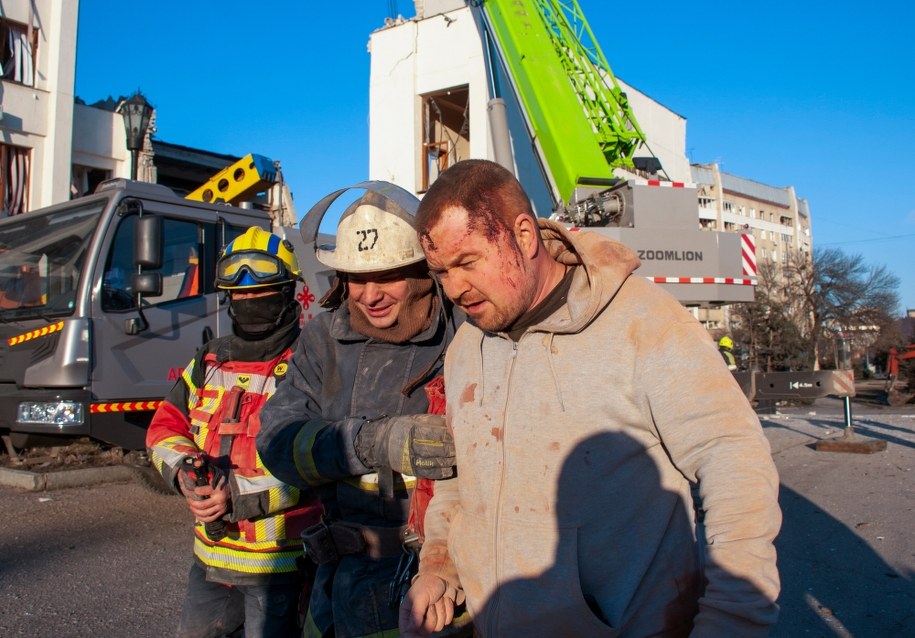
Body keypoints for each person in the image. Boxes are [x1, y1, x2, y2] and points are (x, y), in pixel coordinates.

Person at [400, 159, 782, 637]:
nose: (454, 288)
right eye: (441, 272)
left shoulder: (644, 322)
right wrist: (440, 571)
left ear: (523, 234)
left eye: (467, 262)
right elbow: (461, 482)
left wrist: (733, 618)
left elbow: (734, 461)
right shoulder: (466, 349)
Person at [256, 183, 463, 638]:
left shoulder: (464, 335)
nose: (369, 295)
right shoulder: (324, 340)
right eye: (355, 277)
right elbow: (275, 441)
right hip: (338, 583)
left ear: (423, 272)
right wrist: (368, 443)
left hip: (435, 589)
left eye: (386, 275)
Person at [146, 227, 323, 638]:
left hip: (282, 565)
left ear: (287, 293)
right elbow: (164, 428)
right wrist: (184, 475)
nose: (247, 301)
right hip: (210, 562)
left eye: (260, 293)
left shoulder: (313, 364)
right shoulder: (208, 362)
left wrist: (238, 495)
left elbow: (321, 464)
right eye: (238, 294)